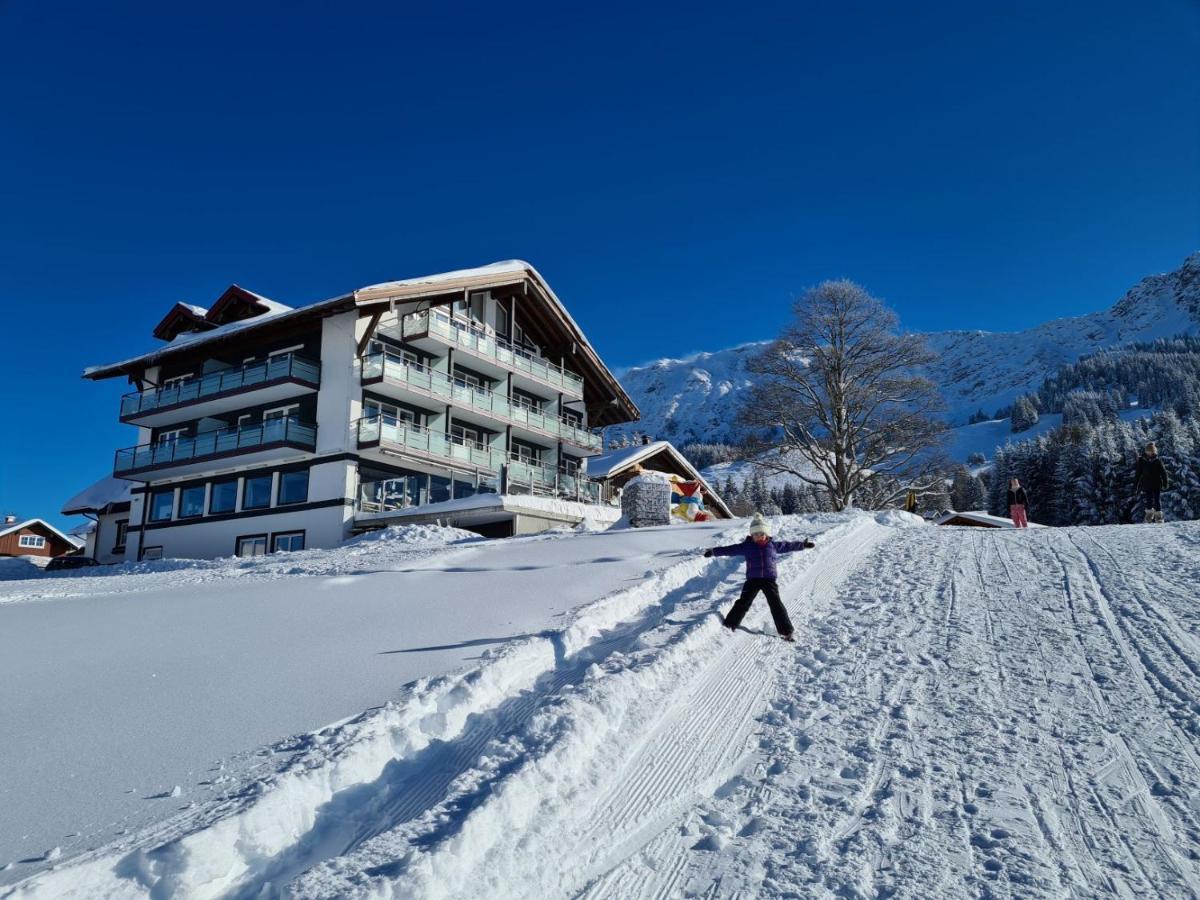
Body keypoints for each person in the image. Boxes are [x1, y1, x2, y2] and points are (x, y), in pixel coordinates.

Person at [703, 513, 814, 641]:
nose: (759, 537)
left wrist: (802, 545)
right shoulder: (747, 546)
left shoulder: (773, 545)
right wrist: (713, 551)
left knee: (776, 604)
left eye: (762, 534)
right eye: (756, 534)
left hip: (769, 580)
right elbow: (731, 549)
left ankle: (787, 631)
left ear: (766, 534)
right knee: (744, 602)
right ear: (752, 535)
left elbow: (788, 546)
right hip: (753, 580)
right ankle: (729, 624)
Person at [1135, 442, 1170, 523]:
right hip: (1147, 484)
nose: (1150, 453)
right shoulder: (1142, 460)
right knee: (1149, 500)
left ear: (1154, 452)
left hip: (1156, 484)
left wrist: (1165, 483)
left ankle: (1159, 517)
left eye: (1151, 452)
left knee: (1157, 500)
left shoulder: (1158, 461)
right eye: (1148, 451)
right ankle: (1149, 516)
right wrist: (1136, 486)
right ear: (1146, 451)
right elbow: (1138, 474)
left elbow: (1163, 473)